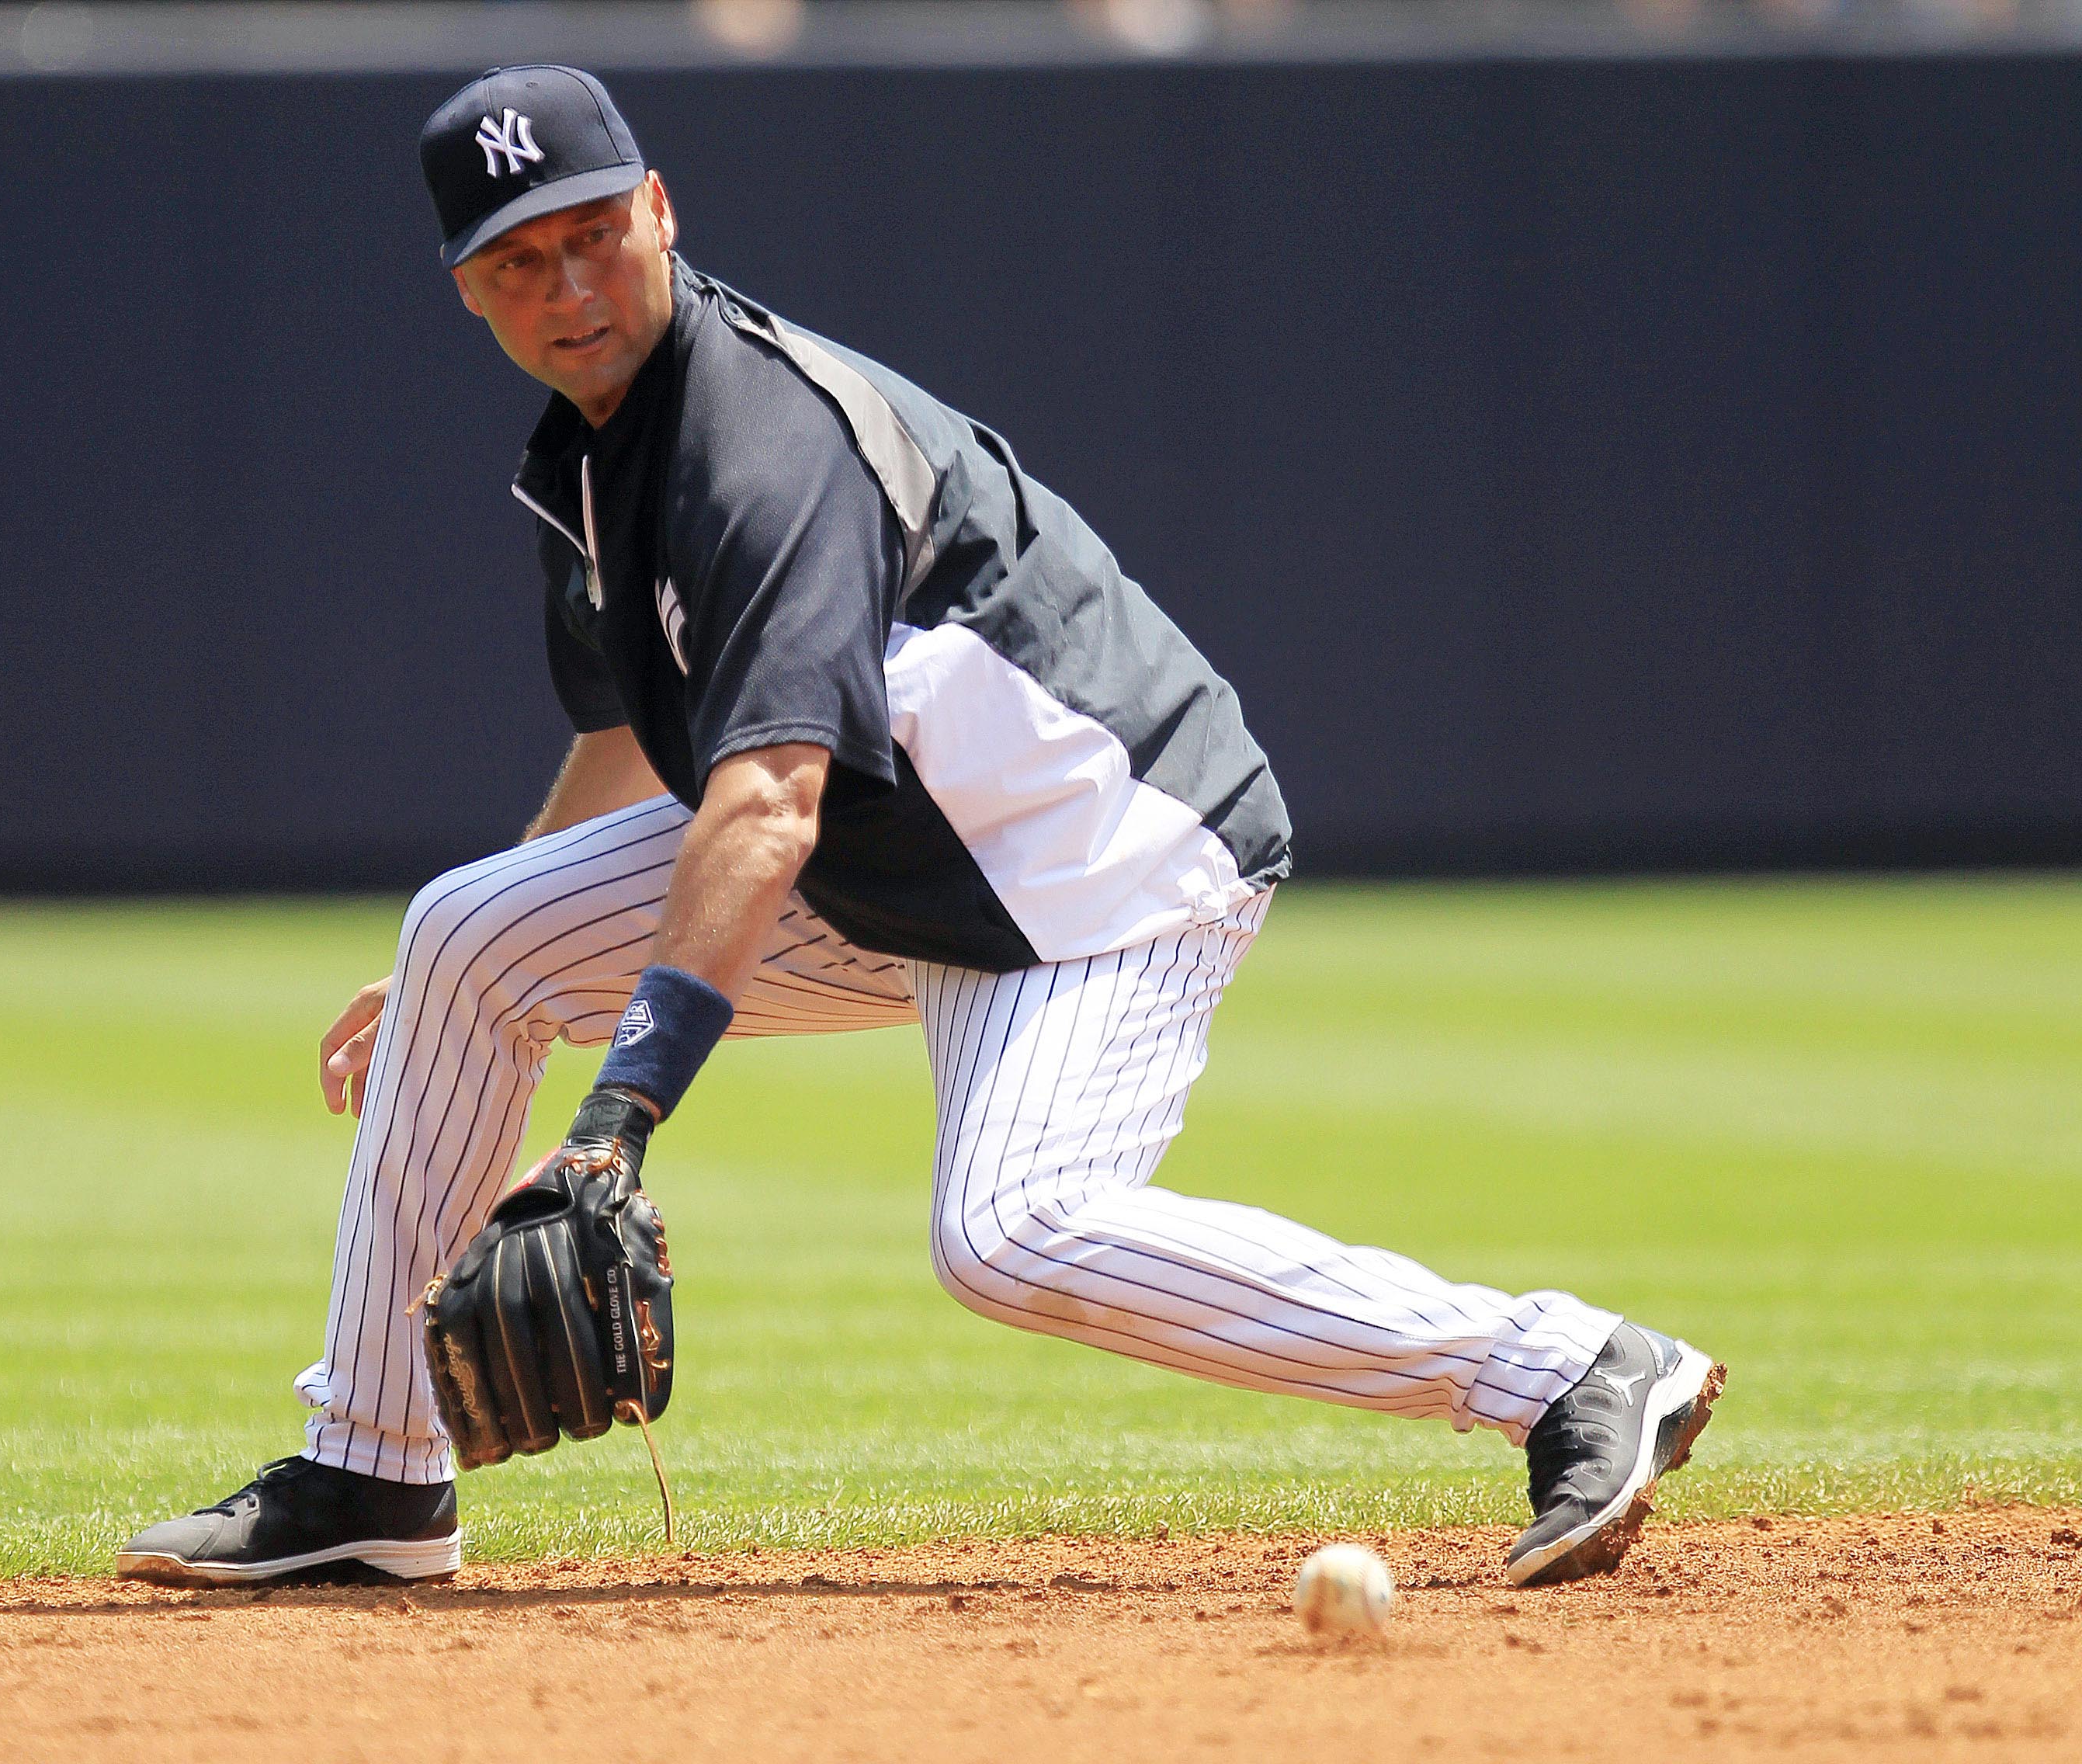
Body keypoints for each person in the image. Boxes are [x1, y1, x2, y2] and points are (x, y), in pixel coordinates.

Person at [113, 64, 1724, 1592]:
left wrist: (616, 1116)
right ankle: (376, 1472)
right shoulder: (595, 460)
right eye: (522, 260)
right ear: (469, 290)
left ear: (661, 211)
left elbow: (767, 798)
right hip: (903, 855)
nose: (571, 283)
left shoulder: (757, 447)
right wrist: (507, 958)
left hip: (1100, 861)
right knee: (464, 930)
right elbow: (628, 726)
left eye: (595, 231)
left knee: (1010, 1232)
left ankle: (1570, 1366)